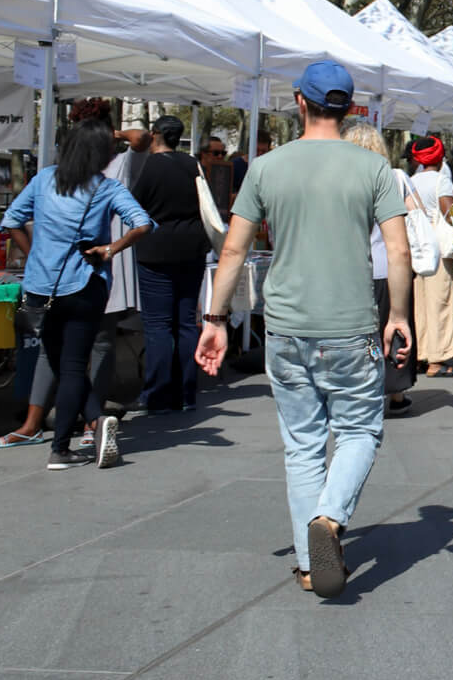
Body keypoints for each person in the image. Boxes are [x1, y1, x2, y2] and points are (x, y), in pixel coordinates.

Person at [196, 61, 410, 596]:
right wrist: (400, 316)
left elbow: (233, 248)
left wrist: (216, 320)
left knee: (303, 445)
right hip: (352, 324)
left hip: (287, 326)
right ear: (350, 107)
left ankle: (309, 561)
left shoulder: (267, 168)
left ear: (299, 101)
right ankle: (330, 519)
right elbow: (400, 249)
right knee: (360, 431)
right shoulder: (374, 170)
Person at [3, 117, 152, 469]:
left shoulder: (44, 180)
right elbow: (143, 223)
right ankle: (63, 446)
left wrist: (34, 253)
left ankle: (93, 425)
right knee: (71, 366)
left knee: (61, 362)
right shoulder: (106, 187)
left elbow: (11, 220)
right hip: (86, 283)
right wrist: (111, 249)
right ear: (101, 153)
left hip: (42, 286)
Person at [130, 115, 211, 415]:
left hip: (156, 249)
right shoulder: (192, 165)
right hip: (192, 247)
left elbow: (133, 205)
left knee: (158, 325)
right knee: (186, 322)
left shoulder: (150, 167)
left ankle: (158, 393)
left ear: (155, 135)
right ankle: (187, 392)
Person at [344, 119, 420, 415]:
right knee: (395, 326)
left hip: (351, 268)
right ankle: (396, 392)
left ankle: (358, 391)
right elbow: (416, 216)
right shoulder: (394, 177)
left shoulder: (341, 180)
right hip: (389, 267)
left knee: (356, 333)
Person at [405, 135, 453, 379]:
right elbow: (450, 214)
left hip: (417, 248)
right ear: (440, 157)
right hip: (439, 249)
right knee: (441, 304)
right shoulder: (442, 181)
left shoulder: (411, 180)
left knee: (420, 304)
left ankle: (421, 354)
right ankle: (438, 360)